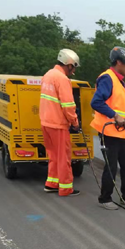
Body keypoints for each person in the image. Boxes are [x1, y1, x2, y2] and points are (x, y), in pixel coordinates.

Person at [90, 46, 125, 210]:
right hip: (108, 131)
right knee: (111, 166)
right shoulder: (107, 78)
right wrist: (115, 116)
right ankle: (105, 198)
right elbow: (96, 102)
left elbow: (124, 107)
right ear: (119, 62)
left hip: (120, 132)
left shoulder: (119, 81)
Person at [39, 48, 81, 197]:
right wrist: (75, 122)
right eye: (74, 67)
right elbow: (68, 105)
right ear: (69, 65)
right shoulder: (62, 79)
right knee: (64, 157)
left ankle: (52, 184)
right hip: (58, 124)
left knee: (54, 156)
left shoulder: (48, 75)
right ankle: (66, 188)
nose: (73, 71)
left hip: (46, 122)